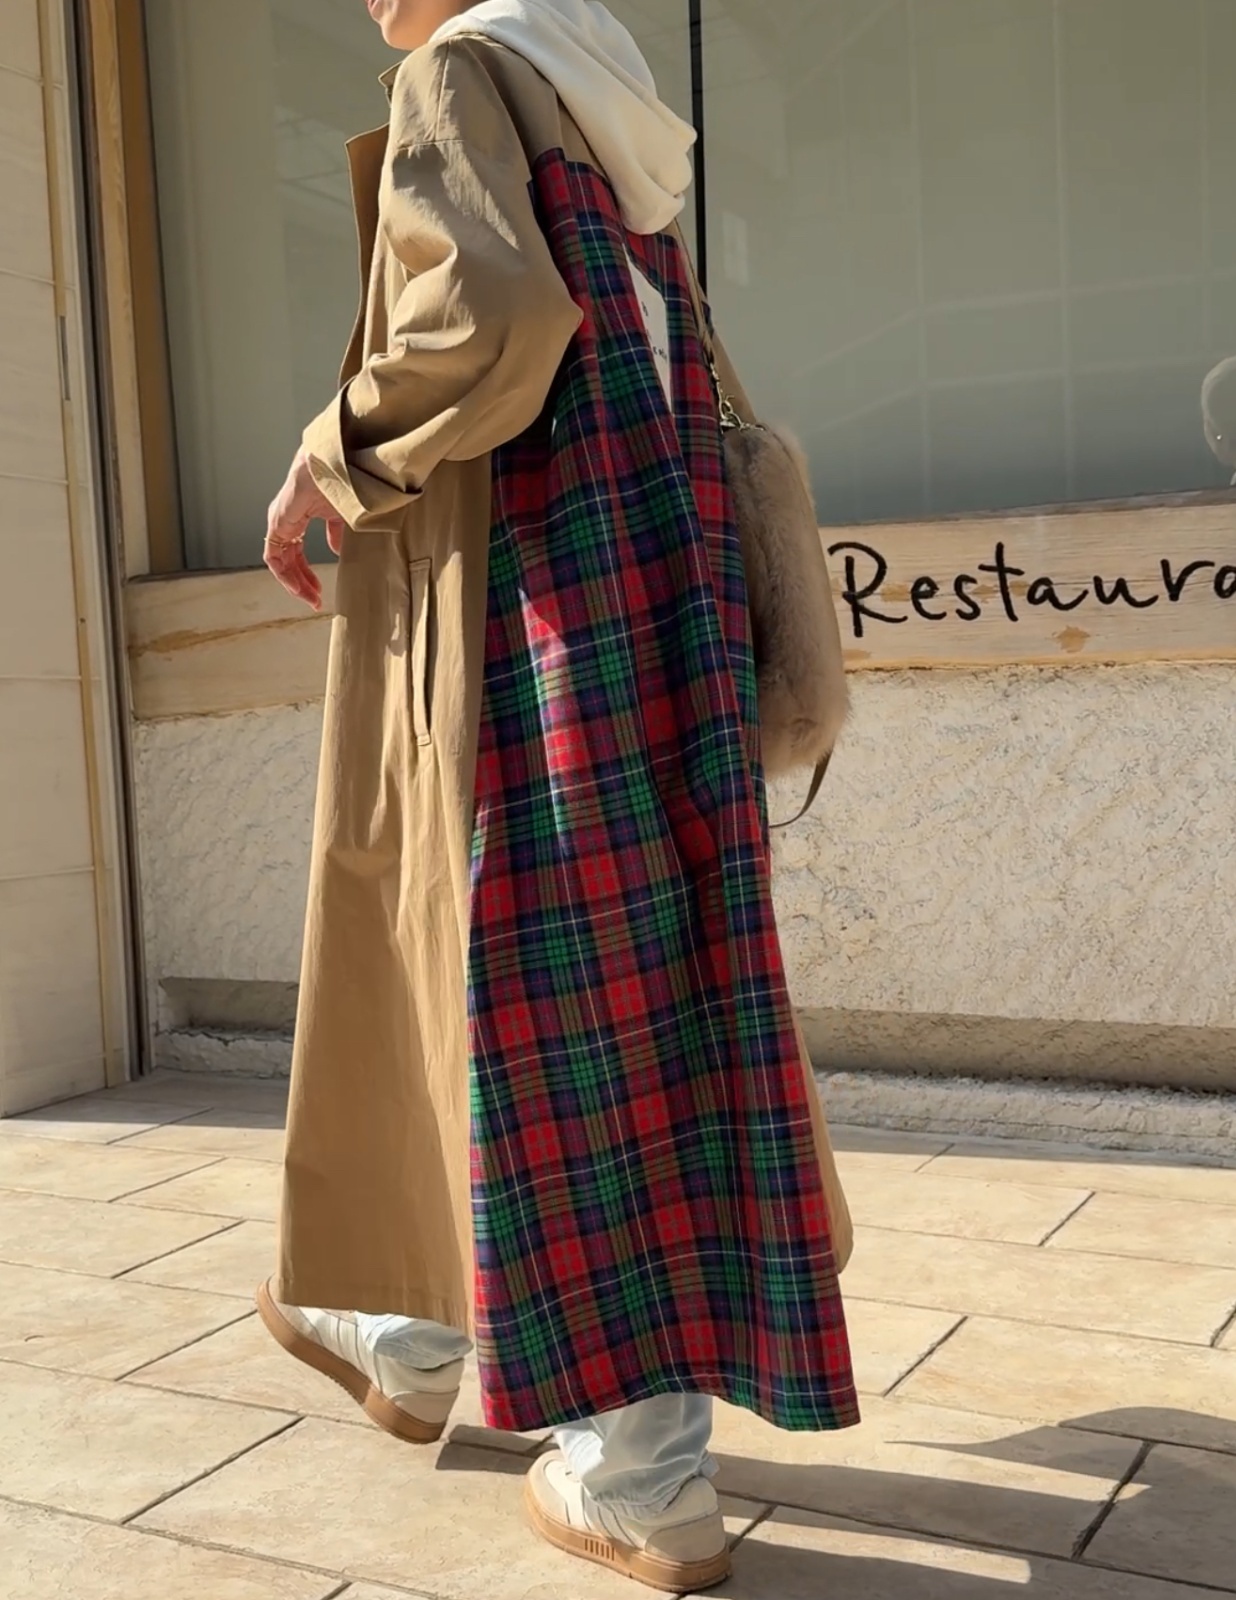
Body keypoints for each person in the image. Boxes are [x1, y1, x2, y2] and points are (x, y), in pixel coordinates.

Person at [259, 0, 857, 1589]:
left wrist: (330, 456)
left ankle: (633, 1472)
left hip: (537, 605)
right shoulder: (606, 97)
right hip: (661, 596)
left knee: (548, 994)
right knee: (634, 984)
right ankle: (415, 1338)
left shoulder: (459, 69)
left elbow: (484, 322)